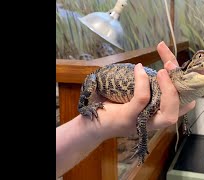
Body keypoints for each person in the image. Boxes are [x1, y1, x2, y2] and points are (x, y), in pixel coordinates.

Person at [56, 41, 196, 178]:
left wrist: (96, 126)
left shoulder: (162, 90)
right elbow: (142, 119)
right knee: (91, 82)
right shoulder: (158, 91)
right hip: (101, 79)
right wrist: (142, 146)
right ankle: (82, 107)